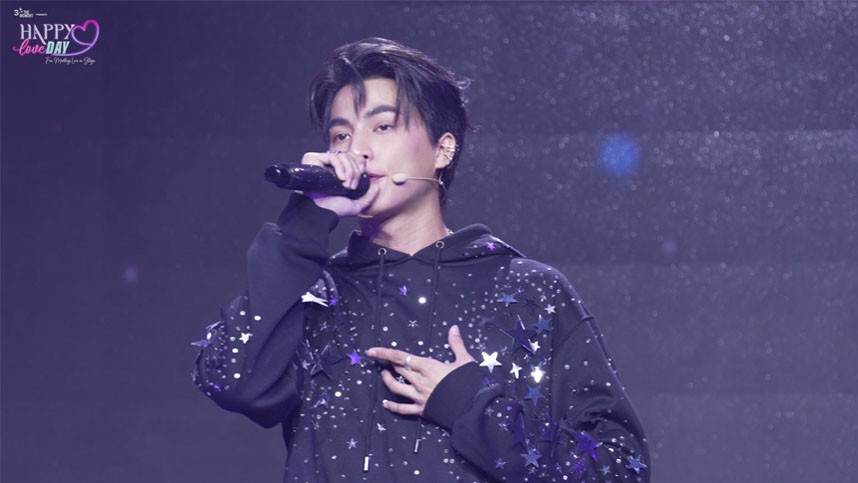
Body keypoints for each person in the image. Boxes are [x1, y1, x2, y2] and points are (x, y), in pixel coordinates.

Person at [192, 37, 649, 482]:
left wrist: (470, 406)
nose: (357, 149)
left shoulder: (528, 291)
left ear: (442, 149)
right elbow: (231, 380)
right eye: (341, 134)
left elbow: (620, 468)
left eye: (382, 126)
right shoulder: (311, 296)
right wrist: (302, 224)